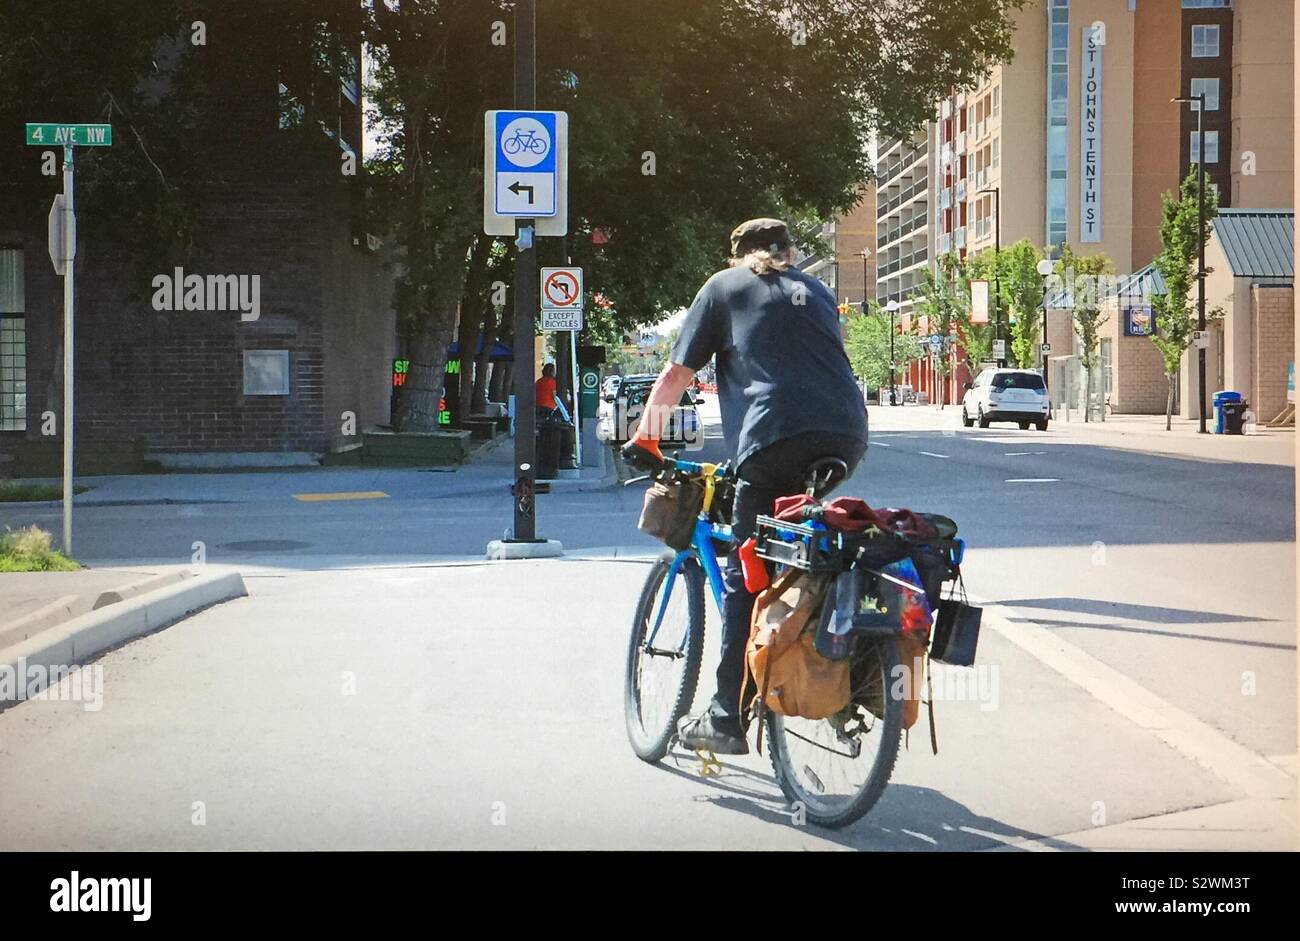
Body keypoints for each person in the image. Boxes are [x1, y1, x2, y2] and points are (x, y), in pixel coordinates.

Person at [622, 218, 868, 755]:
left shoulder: (723, 286)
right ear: (791, 251)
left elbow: (676, 376)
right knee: (797, 548)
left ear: (737, 254)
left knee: (744, 575)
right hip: (846, 434)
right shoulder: (819, 291)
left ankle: (725, 719)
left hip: (774, 437)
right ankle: (815, 666)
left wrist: (645, 439)